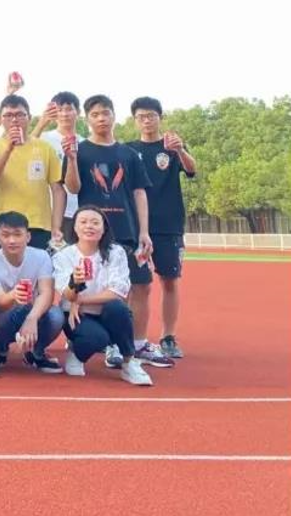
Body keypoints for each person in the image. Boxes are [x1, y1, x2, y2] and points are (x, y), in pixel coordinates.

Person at [63, 94, 173, 368]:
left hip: (127, 231)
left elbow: (139, 193)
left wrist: (144, 232)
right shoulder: (80, 151)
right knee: (104, 289)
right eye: (95, 115)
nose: (101, 119)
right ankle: (112, 344)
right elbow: (73, 188)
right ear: (87, 119)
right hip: (92, 235)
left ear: (114, 116)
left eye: (106, 113)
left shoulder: (129, 154)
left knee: (141, 286)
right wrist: (72, 159)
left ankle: (138, 343)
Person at [52, 205, 154, 385]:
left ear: (104, 228)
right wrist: (74, 283)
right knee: (97, 338)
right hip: (78, 316)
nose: (89, 226)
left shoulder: (116, 253)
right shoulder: (64, 256)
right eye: (83, 222)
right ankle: (77, 352)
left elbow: (117, 292)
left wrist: (80, 300)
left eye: (95, 222)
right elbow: (65, 294)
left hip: (105, 311)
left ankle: (129, 362)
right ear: (75, 227)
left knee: (118, 309)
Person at [128, 97, 197, 359]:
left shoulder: (171, 146)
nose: (147, 121)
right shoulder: (129, 150)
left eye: (151, 116)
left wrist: (180, 151)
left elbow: (192, 170)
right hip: (137, 227)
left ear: (160, 117)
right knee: (136, 285)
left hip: (168, 225)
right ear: (135, 120)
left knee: (169, 280)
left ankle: (168, 336)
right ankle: (132, 337)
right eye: (141, 116)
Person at [0, 211, 65, 372]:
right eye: (6, 235)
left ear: (28, 237)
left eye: (17, 234)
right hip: (4, 314)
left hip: (31, 309)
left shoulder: (41, 256)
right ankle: (0, 350)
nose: (12, 240)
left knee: (55, 316)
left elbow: (47, 293)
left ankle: (36, 353)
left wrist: (32, 318)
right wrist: (14, 295)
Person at [0, 94, 65, 251]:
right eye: (8, 115)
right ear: (1, 119)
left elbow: (58, 190)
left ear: (29, 118)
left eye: (20, 114)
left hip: (38, 225)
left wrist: (56, 227)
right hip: (3, 225)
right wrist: (9, 148)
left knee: (40, 267)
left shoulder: (45, 147)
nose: (14, 120)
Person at [34, 91, 83, 242]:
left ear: (78, 112)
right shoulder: (44, 139)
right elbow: (24, 148)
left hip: (76, 210)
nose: (64, 114)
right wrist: (42, 123)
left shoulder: (84, 143)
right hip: (48, 210)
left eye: (69, 109)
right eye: (60, 110)